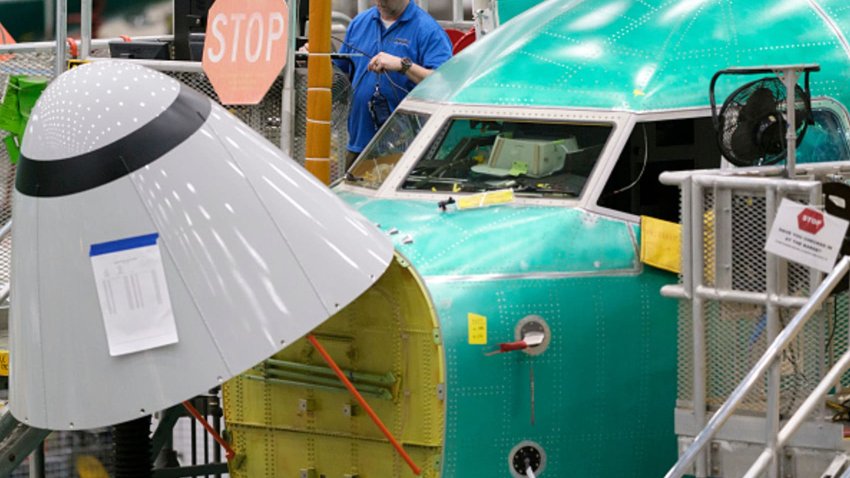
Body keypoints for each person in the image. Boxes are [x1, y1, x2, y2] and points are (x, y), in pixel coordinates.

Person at [335, 0, 452, 168]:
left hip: (406, 152)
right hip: (359, 144)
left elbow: (444, 83)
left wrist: (403, 66)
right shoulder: (359, 23)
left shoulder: (428, 30)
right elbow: (341, 73)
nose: (380, 2)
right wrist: (316, 60)